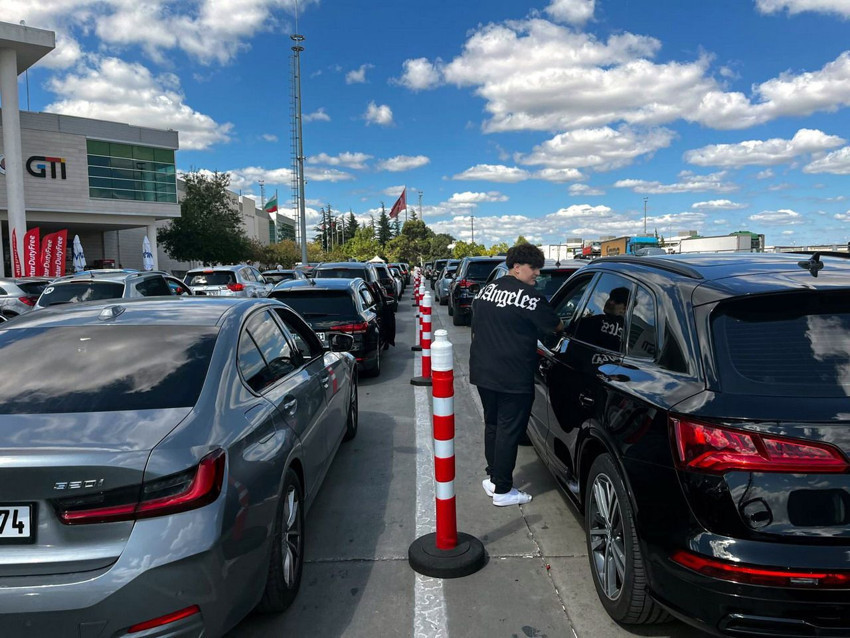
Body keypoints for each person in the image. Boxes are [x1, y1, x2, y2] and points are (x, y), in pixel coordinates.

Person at [469, 244, 563, 506]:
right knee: (509, 430)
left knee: (493, 425)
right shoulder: (530, 297)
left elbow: (477, 325)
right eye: (534, 269)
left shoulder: (486, 291)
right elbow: (555, 325)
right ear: (517, 266)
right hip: (512, 375)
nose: (537, 275)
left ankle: (493, 478)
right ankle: (503, 490)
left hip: (483, 370)